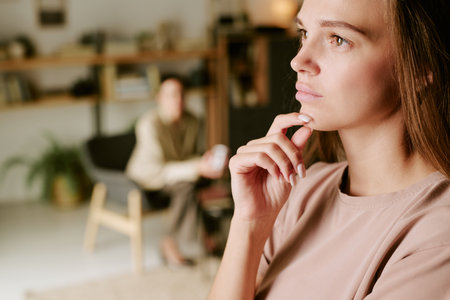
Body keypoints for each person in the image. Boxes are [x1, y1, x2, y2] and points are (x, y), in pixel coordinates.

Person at [208, 0, 450, 298]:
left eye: (338, 39)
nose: (298, 61)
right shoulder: (301, 190)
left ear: (418, 72)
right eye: (304, 32)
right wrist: (248, 224)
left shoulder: (437, 235)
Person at [125, 75, 225, 266]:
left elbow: (190, 155)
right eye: (171, 95)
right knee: (186, 185)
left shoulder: (193, 120)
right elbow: (160, 169)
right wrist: (196, 167)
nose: (177, 100)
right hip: (149, 177)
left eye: (181, 94)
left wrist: (205, 161)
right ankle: (171, 243)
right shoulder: (149, 124)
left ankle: (204, 235)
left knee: (210, 179)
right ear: (159, 98)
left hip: (177, 173)